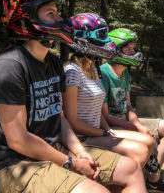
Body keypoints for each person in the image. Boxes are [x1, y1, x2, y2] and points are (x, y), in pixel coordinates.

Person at [0, 0, 146, 193]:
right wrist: (69, 163)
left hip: (57, 148)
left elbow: (60, 119)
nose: (61, 19)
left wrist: (80, 152)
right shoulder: (10, 66)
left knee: (131, 169)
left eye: (57, 12)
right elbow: (18, 140)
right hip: (17, 165)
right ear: (28, 19)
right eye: (51, 13)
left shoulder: (53, 63)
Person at [62, 13, 155, 168]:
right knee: (140, 150)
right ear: (84, 39)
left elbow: (97, 110)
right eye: (101, 36)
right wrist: (104, 133)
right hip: (82, 137)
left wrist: (107, 129)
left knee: (149, 141)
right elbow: (72, 121)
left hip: (98, 131)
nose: (107, 42)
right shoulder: (72, 71)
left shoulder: (93, 69)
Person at [100, 28, 164, 193]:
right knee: (144, 140)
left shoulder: (125, 73)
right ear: (114, 49)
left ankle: (153, 180)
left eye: (133, 48)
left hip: (126, 121)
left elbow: (128, 106)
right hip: (111, 125)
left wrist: (137, 123)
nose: (133, 52)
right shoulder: (104, 74)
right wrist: (135, 128)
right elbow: (104, 115)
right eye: (128, 48)